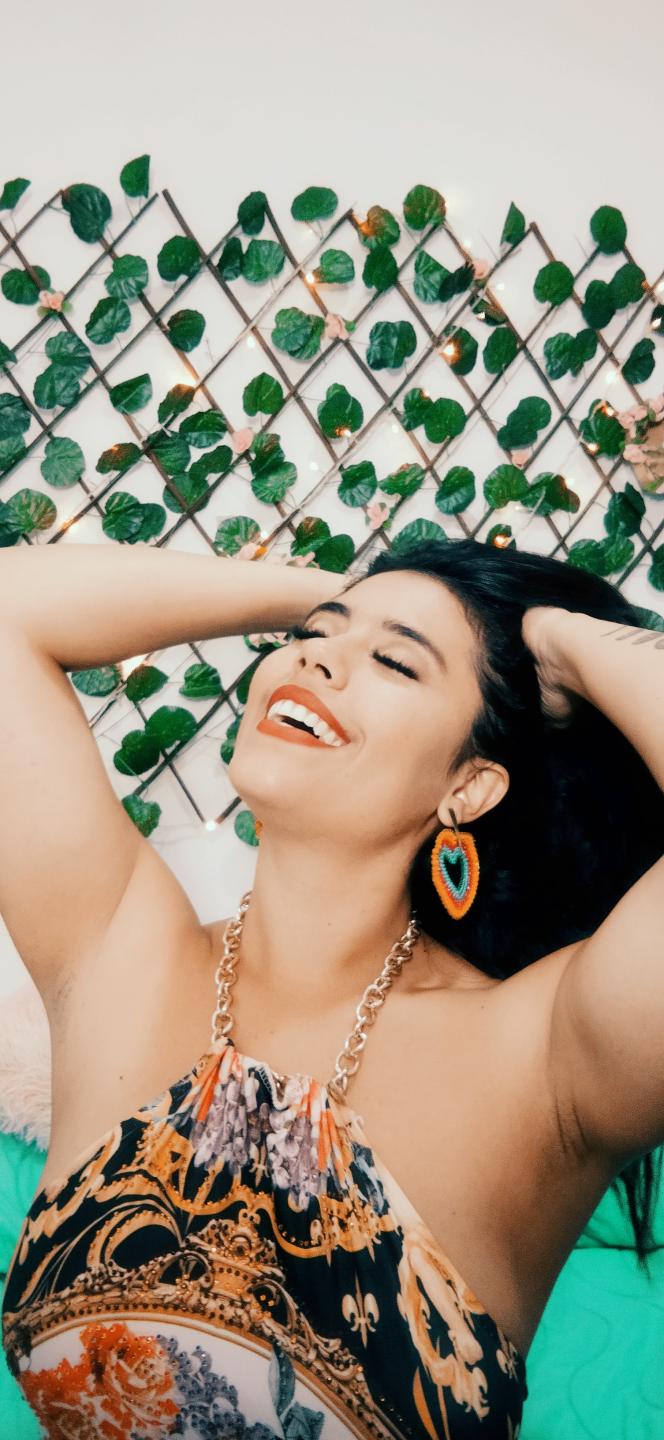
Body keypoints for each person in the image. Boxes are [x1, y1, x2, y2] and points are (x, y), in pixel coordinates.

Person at [0, 535, 662, 1439]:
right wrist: (354, 597)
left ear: (469, 787)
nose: (315, 657)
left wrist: (557, 637)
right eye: (312, 636)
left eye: (397, 662)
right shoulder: (118, 952)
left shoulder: (549, 1057)